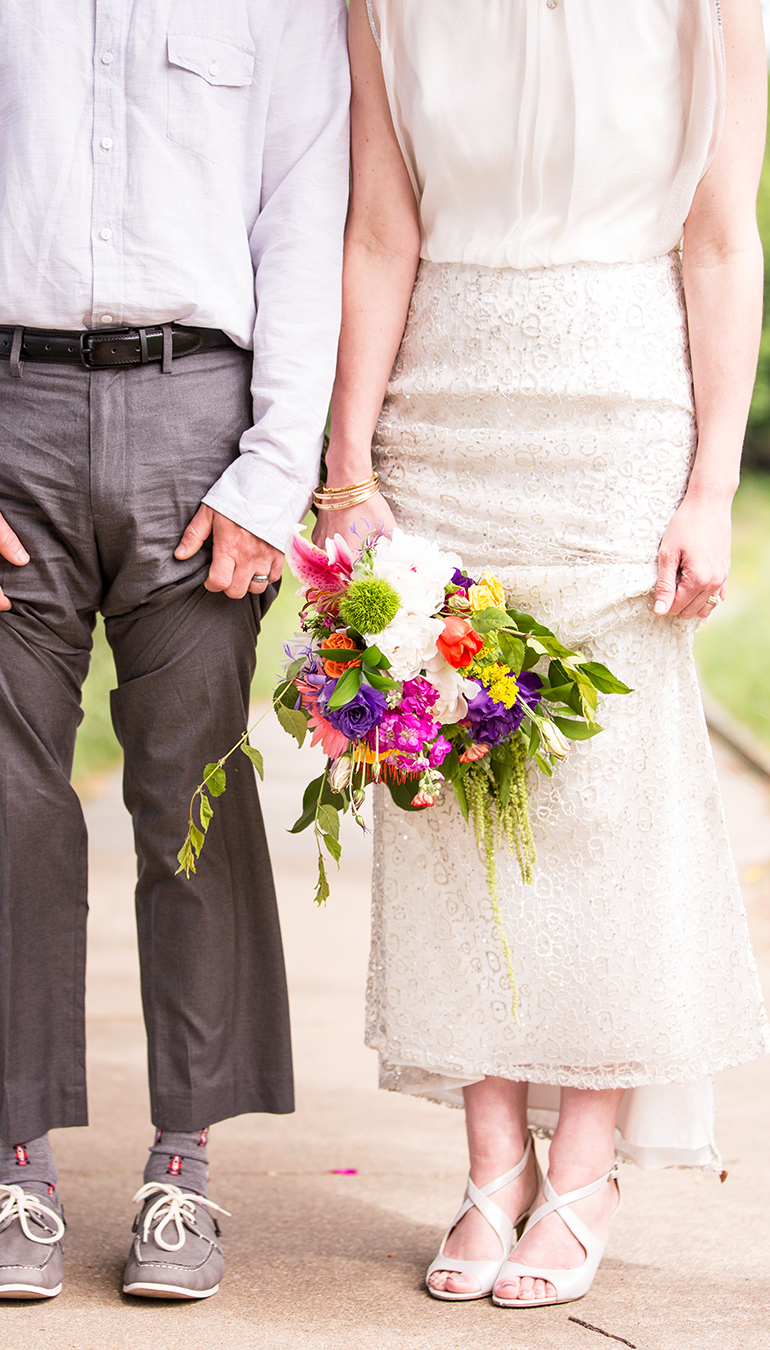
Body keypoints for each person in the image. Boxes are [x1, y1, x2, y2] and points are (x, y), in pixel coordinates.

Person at [0, 0, 348, 1302]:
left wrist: (272, 474)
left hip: (204, 420)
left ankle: (182, 1171)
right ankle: (18, 1173)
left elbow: (304, 220)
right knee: (12, 800)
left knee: (191, 790)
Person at [315, 0, 770, 1309]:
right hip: (442, 414)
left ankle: (588, 1160)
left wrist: (709, 486)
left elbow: (723, 239)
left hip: (622, 418)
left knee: (609, 803)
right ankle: (490, 1157)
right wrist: (350, 474)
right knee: (455, 774)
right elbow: (380, 229)